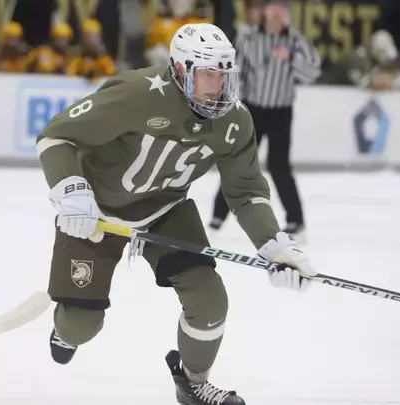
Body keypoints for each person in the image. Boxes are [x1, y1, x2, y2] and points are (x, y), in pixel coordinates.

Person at [35, 22, 316, 405]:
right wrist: (71, 189)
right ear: (181, 69)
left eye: (223, 74)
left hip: (164, 210)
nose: (216, 86)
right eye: (207, 74)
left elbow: (247, 191)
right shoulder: (137, 94)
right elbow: (57, 135)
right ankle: (66, 327)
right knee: (79, 328)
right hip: (96, 213)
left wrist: (274, 245)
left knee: (210, 300)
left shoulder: (234, 121)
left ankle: (194, 383)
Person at [208, 0, 321, 242]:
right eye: (273, 6)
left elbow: (312, 73)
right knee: (238, 162)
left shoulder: (296, 40)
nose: (277, 12)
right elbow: (235, 72)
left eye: (282, 7)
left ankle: (296, 221)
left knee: (280, 166)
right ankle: (217, 217)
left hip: (281, 111)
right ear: (263, 10)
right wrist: (232, 103)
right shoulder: (248, 38)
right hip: (253, 111)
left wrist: (291, 57)